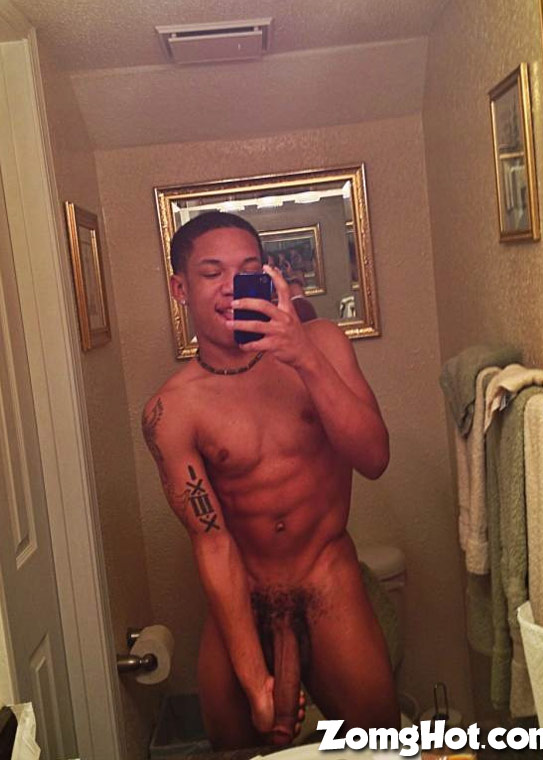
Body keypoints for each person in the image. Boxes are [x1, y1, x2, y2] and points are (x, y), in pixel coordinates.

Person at [142, 211, 399, 750]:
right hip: (244, 593)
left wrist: (303, 356)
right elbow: (212, 543)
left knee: (378, 746)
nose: (231, 285)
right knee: (239, 751)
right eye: (212, 272)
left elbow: (374, 457)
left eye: (247, 270)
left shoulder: (322, 344)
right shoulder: (173, 410)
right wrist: (254, 678)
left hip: (327, 575)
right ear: (180, 289)